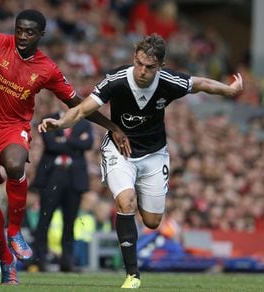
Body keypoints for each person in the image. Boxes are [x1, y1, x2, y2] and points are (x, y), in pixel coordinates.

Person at [38, 33, 243, 288]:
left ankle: (140, 216)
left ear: (161, 67)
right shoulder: (116, 80)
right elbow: (81, 109)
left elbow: (199, 83)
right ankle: (132, 274)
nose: (143, 71)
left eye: (150, 67)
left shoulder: (168, 82)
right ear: (134, 58)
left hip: (155, 155)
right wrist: (59, 123)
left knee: (152, 221)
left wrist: (229, 89)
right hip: (119, 152)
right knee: (125, 201)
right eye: (139, 64)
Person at [0, 9, 129, 285]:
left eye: (29, 32)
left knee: (16, 163)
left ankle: (15, 231)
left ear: (41, 35)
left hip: (12, 128)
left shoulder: (47, 69)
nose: (22, 36)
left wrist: (112, 126)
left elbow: (77, 104)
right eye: (19, 29)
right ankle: (6, 260)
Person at [32, 110, 93, 272]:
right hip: (52, 175)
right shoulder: (48, 118)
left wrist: (63, 140)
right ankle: (40, 258)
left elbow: (88, 144)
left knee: (70, 221)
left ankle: (67, 260)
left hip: (74, 178)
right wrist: (75, 142)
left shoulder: (84, 122)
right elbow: (50, 144)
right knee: (45, 219)